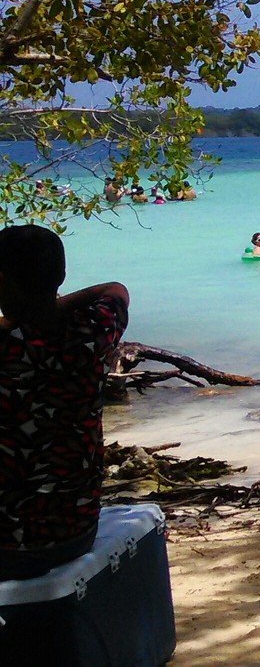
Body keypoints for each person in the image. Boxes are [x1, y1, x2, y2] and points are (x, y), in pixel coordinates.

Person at [0, 226, 129, 580]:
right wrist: (49, 306)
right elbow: (115, 290)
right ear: (61, 276)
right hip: (73, 533)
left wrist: (14, 319)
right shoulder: (94, 329)